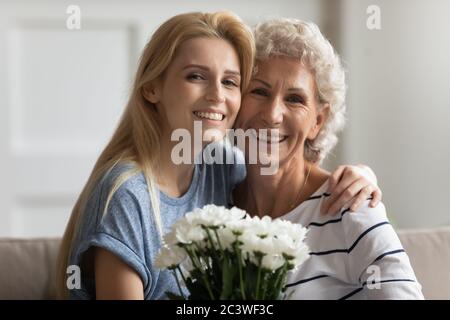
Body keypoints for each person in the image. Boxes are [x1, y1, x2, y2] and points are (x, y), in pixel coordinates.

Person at [56, 12, 381, 300]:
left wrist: (361, 175)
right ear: (152, 88)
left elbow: (285, 170)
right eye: (196, 76)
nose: (216, 96)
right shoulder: (128, 194)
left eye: (230, 82)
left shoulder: (222, 170)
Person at [232, 18, 424, 299]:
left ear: (317, 122)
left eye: (295, 99)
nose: (273, 114)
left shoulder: (351, 206)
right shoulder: (217, 206)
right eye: (259, 91)